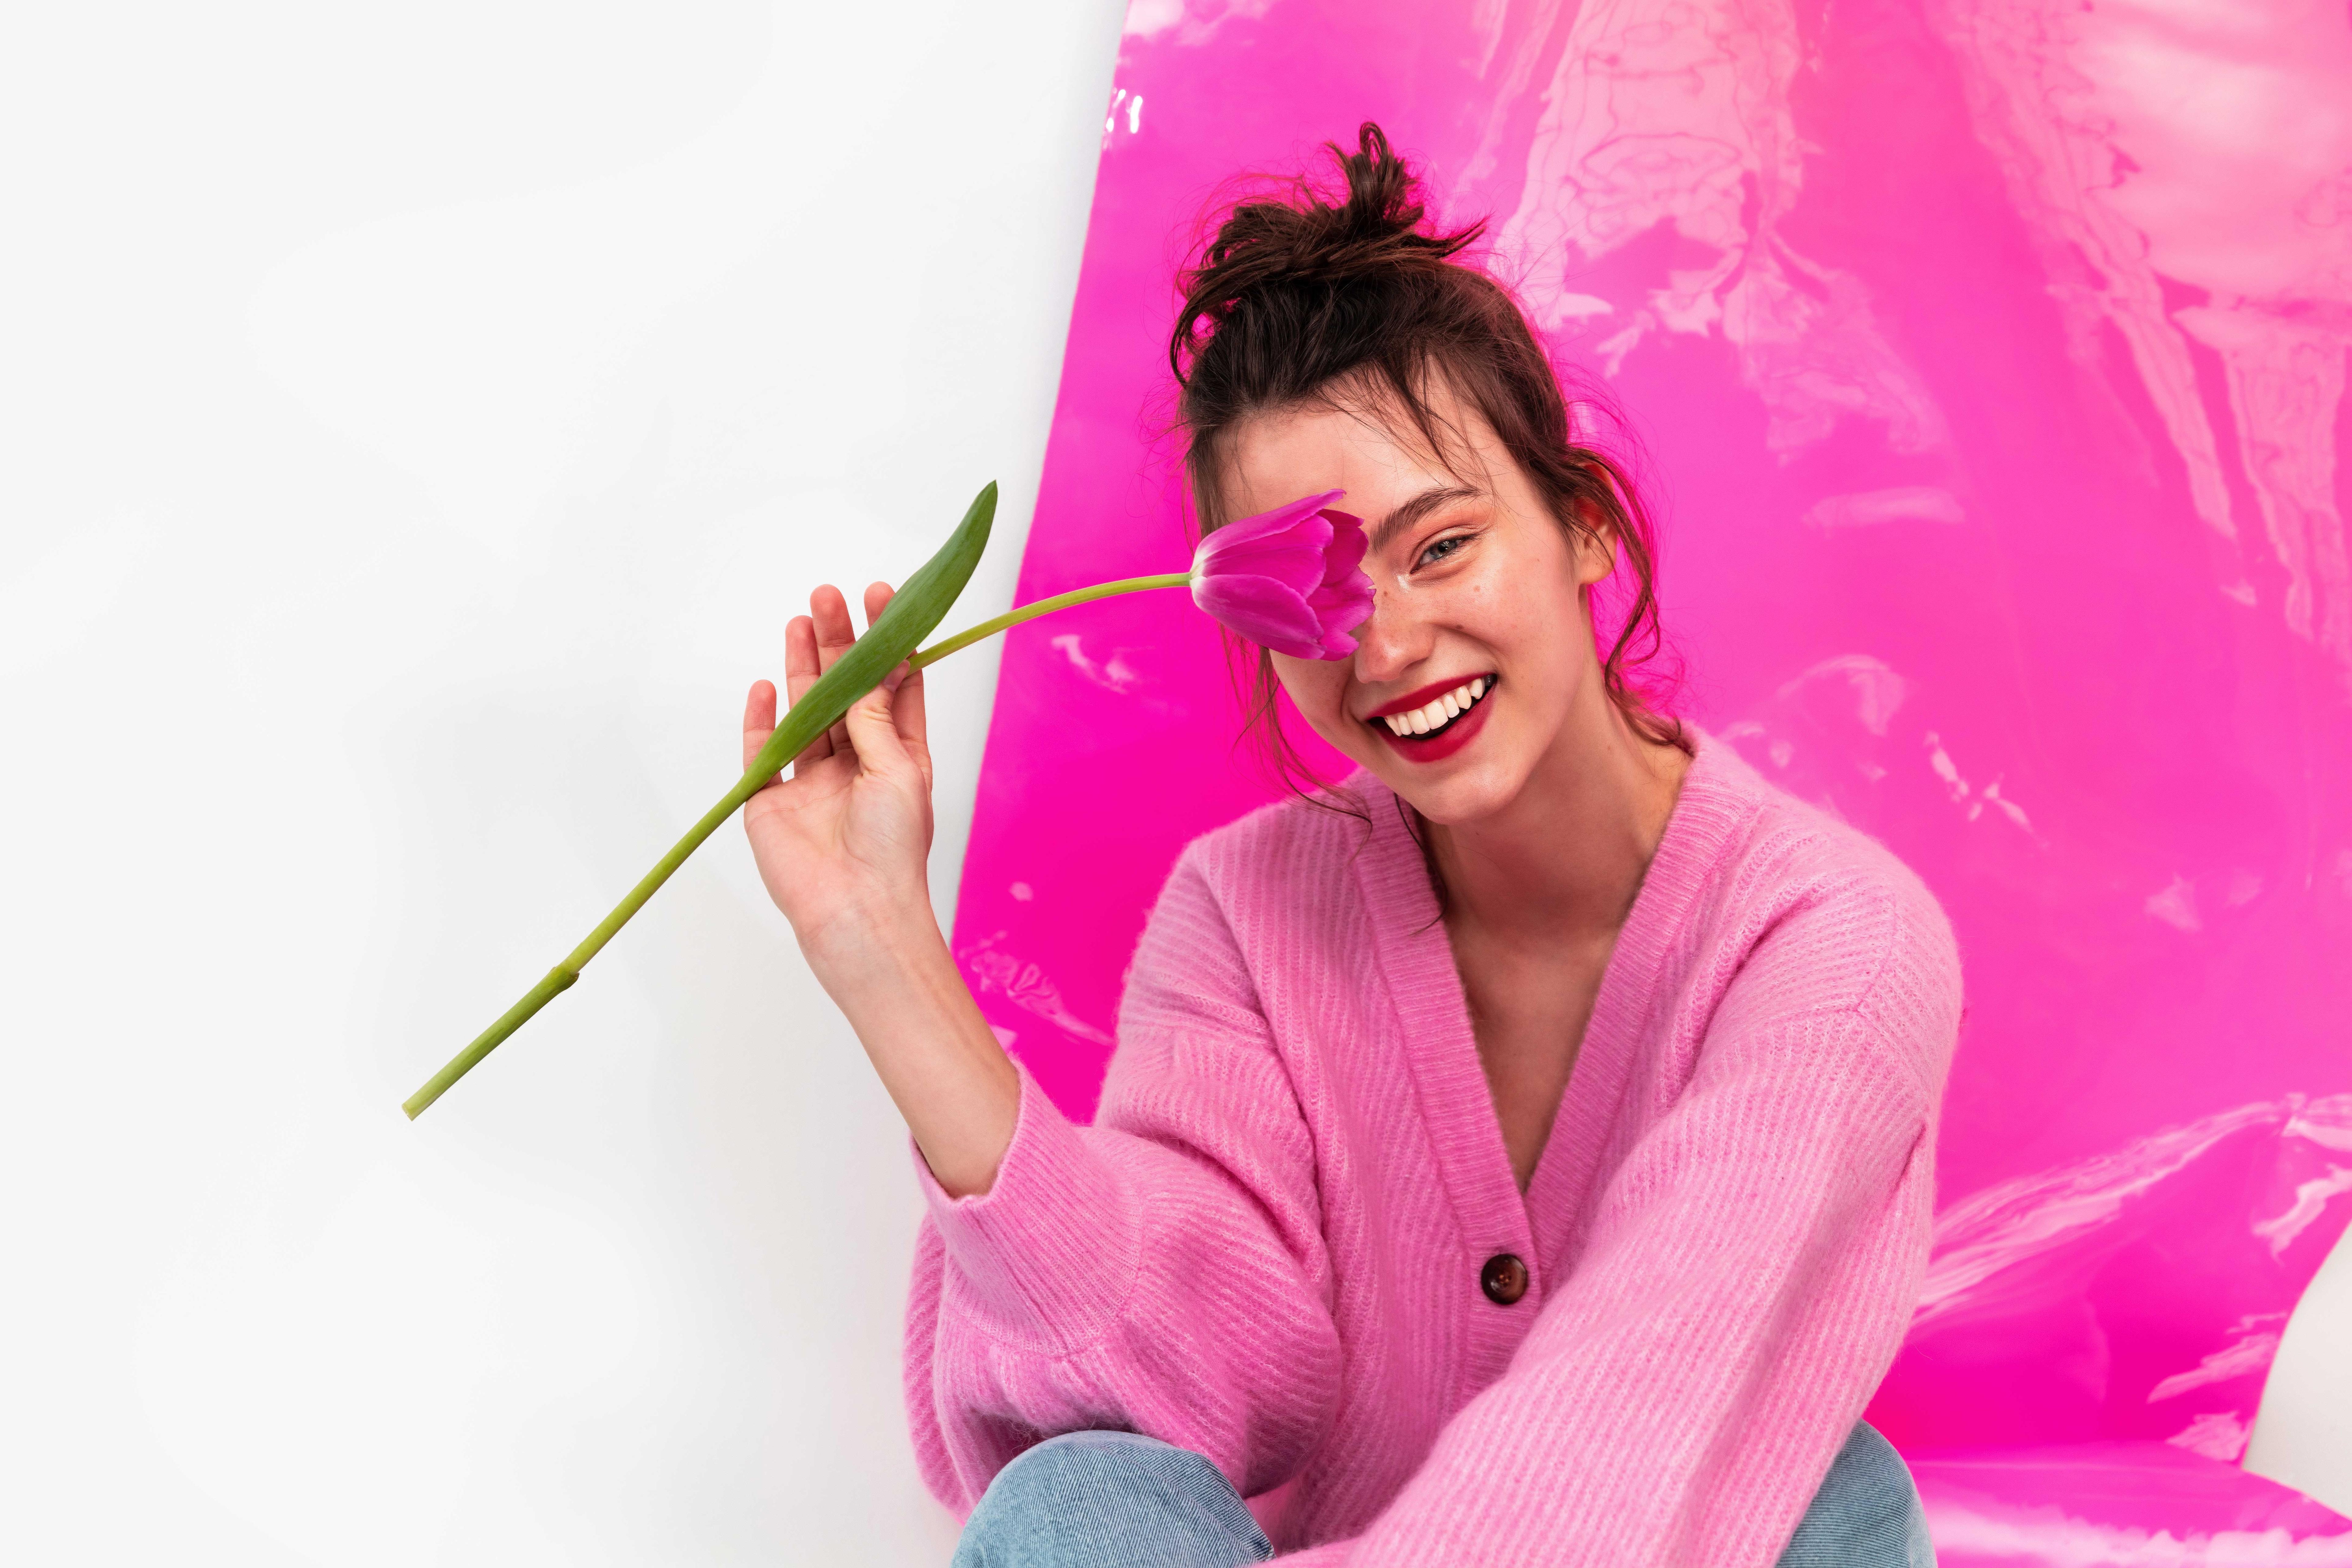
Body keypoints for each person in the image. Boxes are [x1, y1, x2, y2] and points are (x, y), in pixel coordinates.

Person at [738, 124, 1959, 1567]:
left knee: (1829, 1496)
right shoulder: (1247, 909)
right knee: (1080, 1509)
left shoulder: (1837, 943)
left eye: (1440, 545)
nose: (1386, 640)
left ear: (1578, 525)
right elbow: (1175, 1393)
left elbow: (1644, 1410)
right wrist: (880, 947)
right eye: (1313, 591)